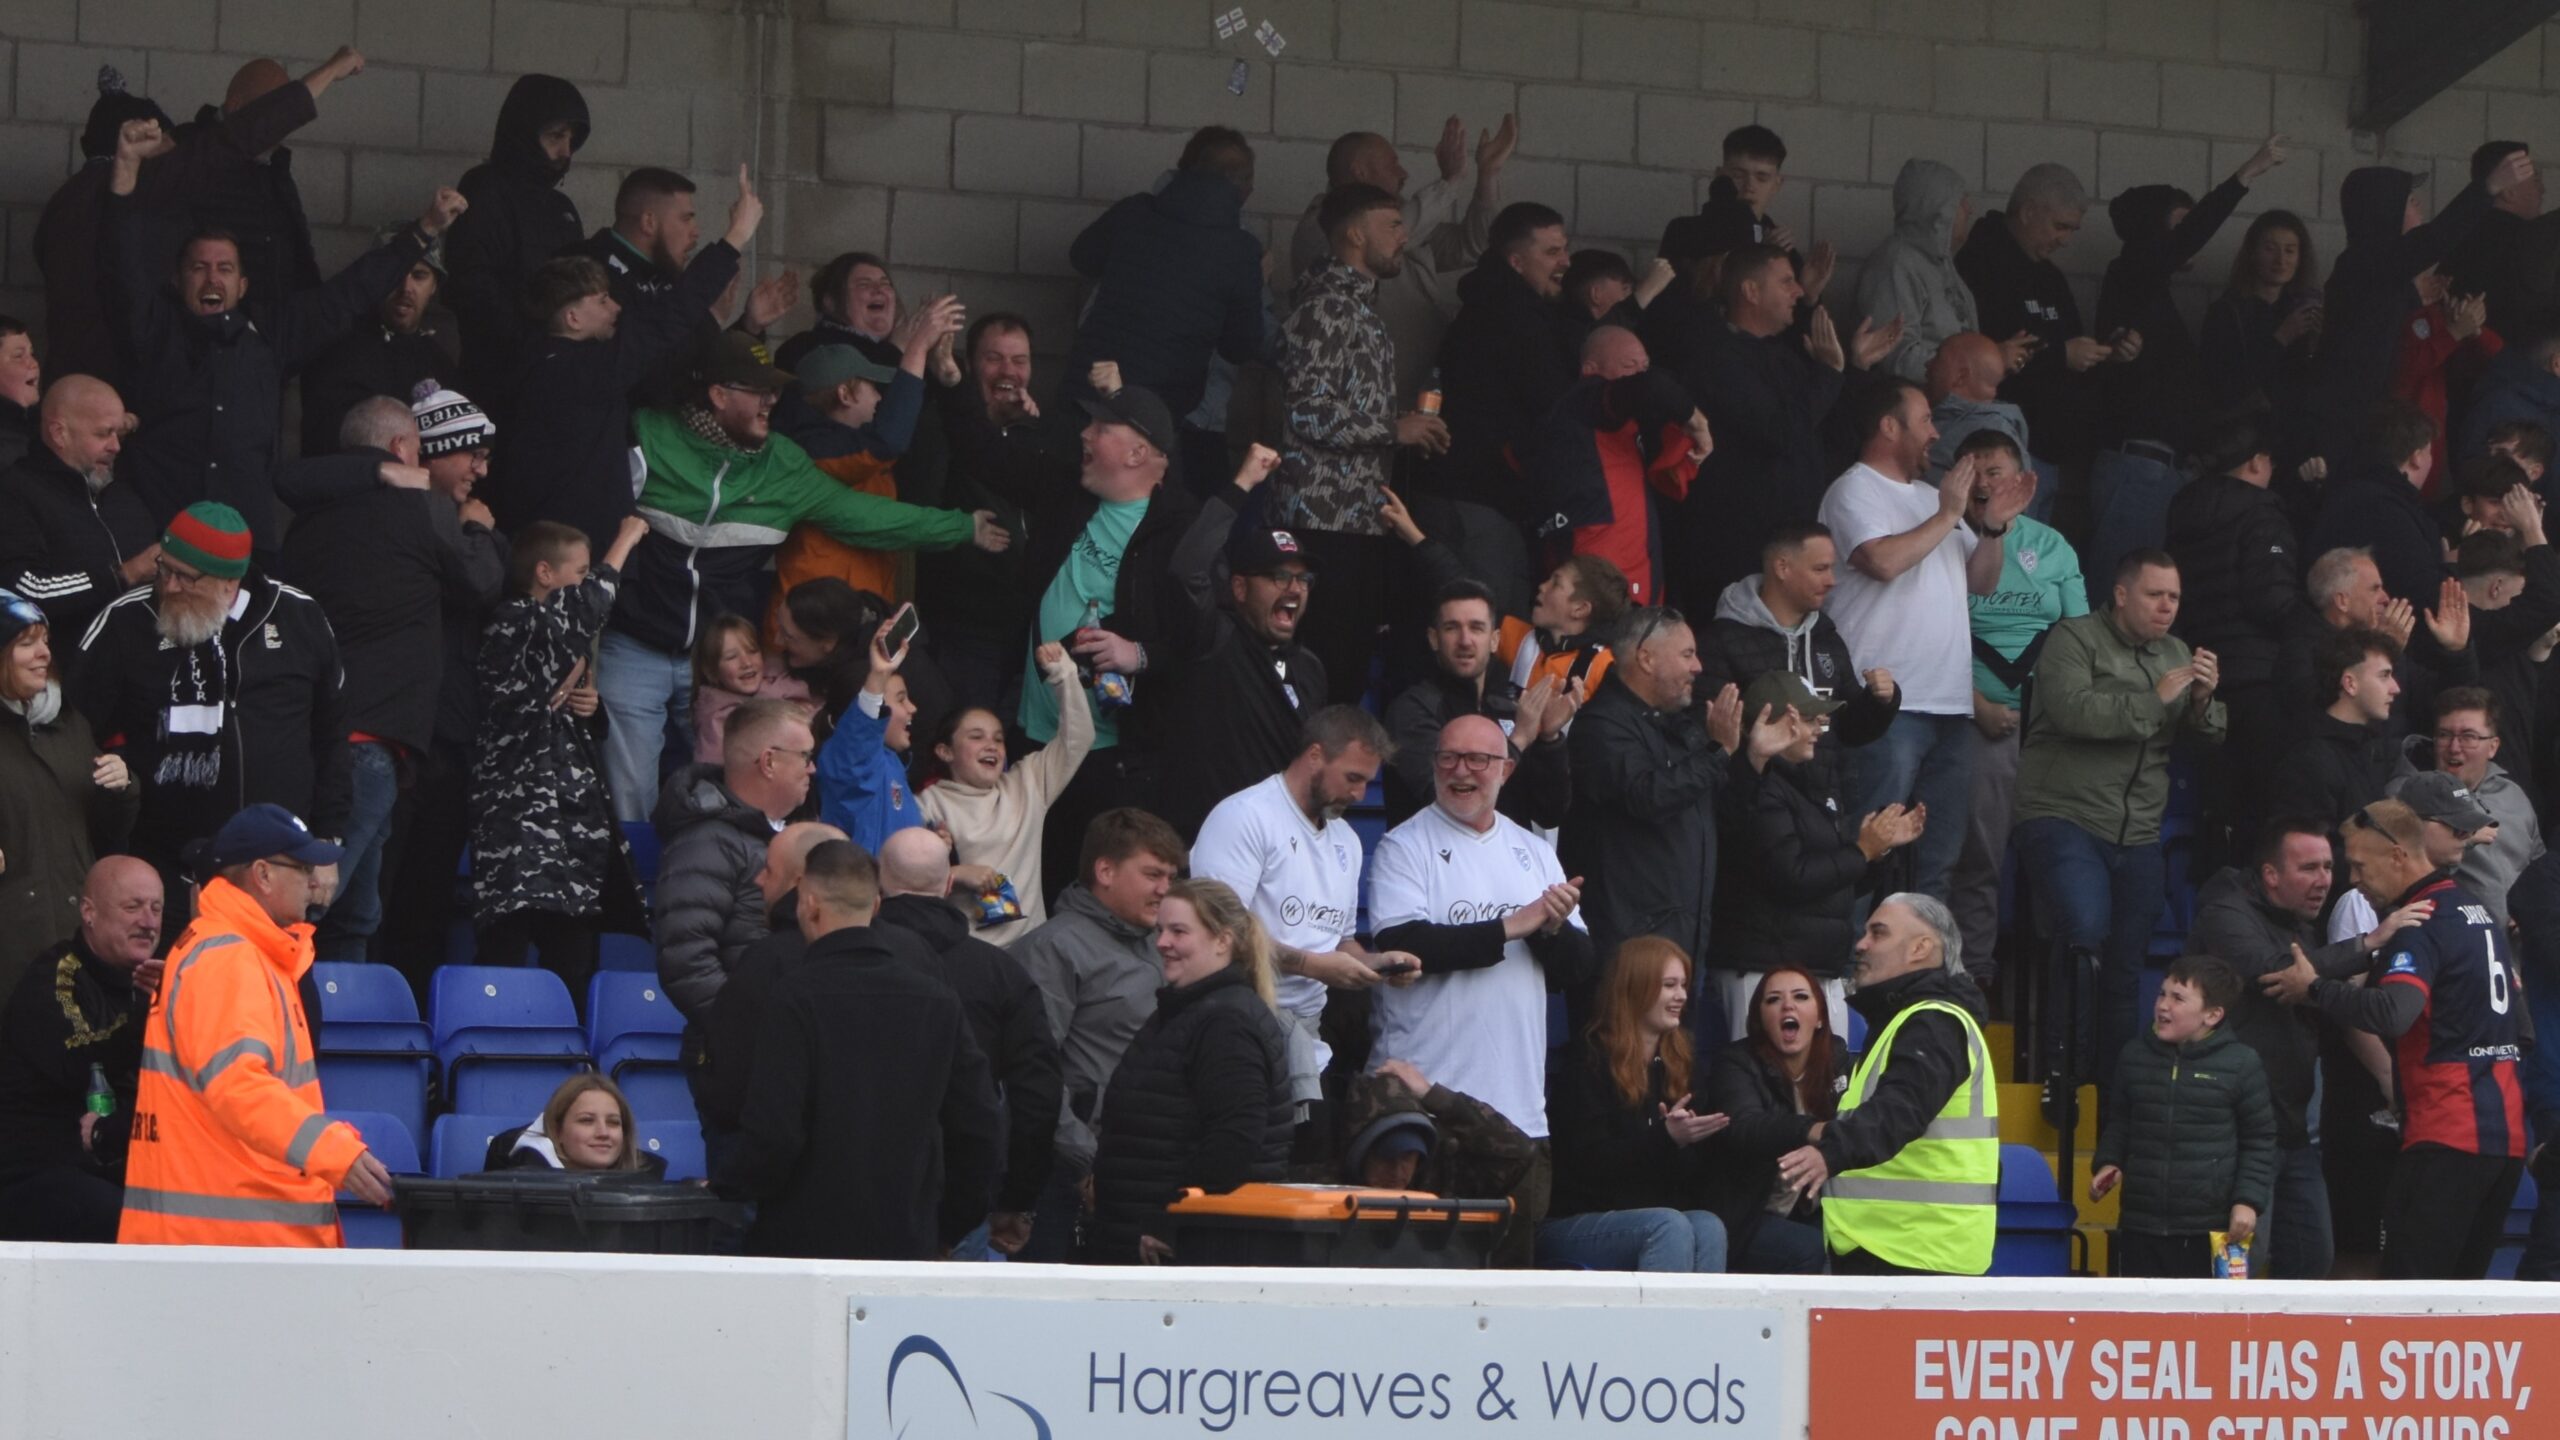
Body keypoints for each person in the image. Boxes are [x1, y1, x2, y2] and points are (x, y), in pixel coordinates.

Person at [598, 330, 1002, 824]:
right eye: (757, 390)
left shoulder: (783, 465)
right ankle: (640, 893)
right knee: (631, 784)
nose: (772, 400)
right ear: (718, 395)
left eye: (774, 390)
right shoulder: (648, 435)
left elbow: (864, 514)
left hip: (722, 660)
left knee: (735, 785)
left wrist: (960, 526)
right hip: (636, 642)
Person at [102, 121, 459, 556]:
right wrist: (125, 170)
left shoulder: (270, 335)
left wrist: (424, 230)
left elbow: (349, 294)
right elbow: (123, 267)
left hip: (244, 549)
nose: (212, 277)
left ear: (243, 286)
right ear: (177, 282)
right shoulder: (154, 328)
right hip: (160, 540)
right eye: (199, 268)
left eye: (225, 268)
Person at [276, 398, 505, 962]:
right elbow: (478, 582)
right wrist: (479, 532)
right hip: (372, 737)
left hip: (320, 729)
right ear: (402, 450)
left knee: (357, 912)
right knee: (315, 902)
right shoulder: (420, 510)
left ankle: (346, 1025)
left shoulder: (308, 519)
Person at [2261, 798, 2527, 1280]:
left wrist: (2315, 988)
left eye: (2360, 865)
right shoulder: (2480, 912)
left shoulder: (2418, 922)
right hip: (2503, 1140)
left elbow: (2391, 1013)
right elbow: (2521, 1029)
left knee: (2407, 1305)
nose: (2354, 880)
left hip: (2446, 1135)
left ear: (2397, 857)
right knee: (2463, 1310)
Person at [1369, 714, 1597, 1266]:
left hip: (1519, 1113)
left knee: (1508, 1288)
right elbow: (1404, 945)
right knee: (1417, 1277)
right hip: (1425, 1106)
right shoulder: (1404, 846)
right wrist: (1512, 925)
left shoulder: (1535, 852)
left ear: (1506, 771)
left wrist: (1548, 927)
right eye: (1449, 758)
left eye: (1479, 760)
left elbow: (1579, 966)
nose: (1462, 771)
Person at [118, 804, 394, 1245]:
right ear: (263, 875)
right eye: (302, 867)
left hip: (232, 1245)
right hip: (228, 1251)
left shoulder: (246, 953)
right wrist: (331, 1150)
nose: (314, 881)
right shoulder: (228, 957)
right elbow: (238, 1086)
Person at [72, 502, 346, 935]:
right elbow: (73, 728)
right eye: (165, 569)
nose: (169, 586)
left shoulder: (298, 617)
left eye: (186, 577)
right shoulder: (127, 621)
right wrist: (125, 766)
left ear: (230, 582)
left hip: (277, 878)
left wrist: (328, 844)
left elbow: (331, 742)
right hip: (167, 878)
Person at [721, 839, 1002, 1260]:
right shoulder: (936, 999)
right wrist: (948, 1227)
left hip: (800, 1245)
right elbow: (979, 1124)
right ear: (875, 906)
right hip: (907, 1240)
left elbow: (774, 1133)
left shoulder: (794, 997)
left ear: (808, 904)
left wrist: (730, 1188)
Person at [2014, 551, 2226, 1095]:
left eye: (2174, 597)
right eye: (2155, 595)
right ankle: (2060, 1074)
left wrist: (2203, 703)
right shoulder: (2074, 637)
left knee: (2127, 966)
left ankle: (2109, 1092)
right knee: (2083, 935)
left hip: (2138, 833)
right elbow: (2073, 710)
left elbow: (2207, 741)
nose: (2166, 607)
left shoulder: (2176, 652)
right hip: (2065, 815)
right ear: (2122, 594)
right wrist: (2154, 701)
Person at [1819, 379, 2033, 901]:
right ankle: (1847, 978)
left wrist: (1995, 528)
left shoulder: (1930, 497)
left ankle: (1918, 979)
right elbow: (1883, 560)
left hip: (1951, 709)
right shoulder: (1854, 488)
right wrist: (1948, 514)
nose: (1936, 434)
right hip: (1887, 707)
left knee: (1936, 864)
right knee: (1866, 855)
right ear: (1889, 427)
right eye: (1925, 422)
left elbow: (1980, 581)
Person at [481, 169, 756, 553]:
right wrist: (734, 239)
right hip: (560, 554)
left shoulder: (559, 362)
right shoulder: (576, 370)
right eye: (602, 301)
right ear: (572, 317)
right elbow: (661, 324)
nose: (616, 308)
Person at [2191, 818, 2415, 1281]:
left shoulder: (2299, 923)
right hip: (2237, 1133)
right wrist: (2369, 943)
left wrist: (2386, 1074)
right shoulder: (2225, 909)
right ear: (2271, 875)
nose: (2324, 880)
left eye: (2329, 867)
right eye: (2309, 868)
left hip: (2294, 1130)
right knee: (2241, 1275)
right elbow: (2275, 975)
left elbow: (2317, 992)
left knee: (2315, 1259)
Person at [1192, 706, 1414, 1140]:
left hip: (1312, 1047)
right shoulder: (1245, 817)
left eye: (1368, 780)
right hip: (1238, 1031)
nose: (1361, 794)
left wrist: (1376, 963)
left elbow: (1341, 940)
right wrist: (1315, 966)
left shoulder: (1347, 841)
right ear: (1315, 756)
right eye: (1352, 777)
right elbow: (1216, 935)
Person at [1018, 379, 1198, 901]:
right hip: (1034, 736)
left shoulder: (1179, 529)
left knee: (1087, 894)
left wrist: (1136, 654)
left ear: (1139, 451)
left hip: (1106, 754)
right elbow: (996, 460)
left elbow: (1204, 641)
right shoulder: (1075, 497)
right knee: (1034, 888)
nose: (1086, 434)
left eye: (1101, 427)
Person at [1271, 183, 1452, 691]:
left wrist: (1403, 424)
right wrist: (1393, 428)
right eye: (1392, 225)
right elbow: (1307, 411)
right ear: (1354, 234)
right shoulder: (1327, 308)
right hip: (1323, 520)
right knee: (1326, 666)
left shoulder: (1361, 309)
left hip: (1360, 518)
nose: (1404, 235)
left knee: (1349, 663)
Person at [470, 517, 650, 996]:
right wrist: (626, 539)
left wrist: (591, 710)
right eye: (580, 571)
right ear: (545, 573)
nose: (588, 581)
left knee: (573, 963)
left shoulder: (561, 640)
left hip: (574, 837)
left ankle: (572, 1062)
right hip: (519, 827)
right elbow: (585, 607)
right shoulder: (517, 620)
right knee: (503, 959)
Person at [1774, 893, 1996, 1276]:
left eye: (1878, 933)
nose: (1861, 944)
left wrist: (1831, 1152)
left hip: (1913, 1256)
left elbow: (1899, 1110)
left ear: (1921, 948)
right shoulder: (1907, 1022)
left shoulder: (1933, 1023)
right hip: (1899, 1249)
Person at [874, 828, 1064, 1258]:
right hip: (962, 1201)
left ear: (880, 884)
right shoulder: (1001, 973)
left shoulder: (844, 965)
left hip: (857, 1192)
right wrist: (1017, 1197)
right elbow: (1037, 1092)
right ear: (946, 885)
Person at [376, 381, 511, 987]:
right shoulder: (405, 526)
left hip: (453, 743)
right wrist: (475, 534)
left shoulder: (476, 529)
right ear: (429, 455)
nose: (480, 472)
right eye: (470, 456)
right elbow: (475, 582)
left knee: (425, 900)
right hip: (399, 736)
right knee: (378, 890)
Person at [1564, 603, 1776, 983]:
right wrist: (1717, 752)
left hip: (1685, 943)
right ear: (1645, 658)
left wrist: (1752, 759)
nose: (1698, 667)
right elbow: (1648, 797)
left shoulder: (1682, 727)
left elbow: (1724, 816)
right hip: (1628, 950)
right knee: (1622, 1045)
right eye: (1687, 654)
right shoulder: (1601, 725)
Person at [1087, 879, 1297, 1264]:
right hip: (1144, 1242)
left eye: (1179, 931)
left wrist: (1173, 1220)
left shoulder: (1226, 1023)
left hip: (1185, 1252)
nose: (1163, 942)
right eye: (1161, 930)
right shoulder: (1187, 1012)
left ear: (1223, 941)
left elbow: (1235, 1137)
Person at [1012, 807, 1187, 1262]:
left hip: (1147, 1169)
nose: (1164, 889)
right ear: (1105, 870)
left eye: (1171, 876)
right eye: (1152, 874)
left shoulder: (1164, 945)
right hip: (1070, 1181)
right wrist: (1086, 1163)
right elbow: (1034, 1072)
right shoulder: (1054, 948)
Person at [1714, 671, 1921, 1040]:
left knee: (1824, 1091)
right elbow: (1791, 877)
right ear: (1770, 723)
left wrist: (1878, 849)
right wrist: (1862, 850)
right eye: (1808, 719)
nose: (1819, 728)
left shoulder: (1806, 784)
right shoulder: (1757, 787)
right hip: (1764, 971)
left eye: (1819, 719)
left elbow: (1834, 886)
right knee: (1763, 1088)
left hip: (1815, 967)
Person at [1670, 243, 1874, 607]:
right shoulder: (1716, 358)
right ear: (1751, 291)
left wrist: (1854, 370)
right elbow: (1780, 431)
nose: (1798, 291)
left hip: (1793, 549)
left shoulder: (1785, 358)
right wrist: (1828, 374)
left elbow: (1831, 440)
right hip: (1736, 554)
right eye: (1786, 282)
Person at [1952, 430, 2087, 978]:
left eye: (1997, 471)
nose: (1986, 483)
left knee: (2058, 864)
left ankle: (2049, 984)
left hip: (2047, 726)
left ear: (2023, 479)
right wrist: (1976, 701)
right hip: (1974, 717)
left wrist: (2057, 714)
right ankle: (1975, 977)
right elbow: (1925, 635)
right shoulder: (1945, 535)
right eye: (1975, 470)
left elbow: (2079, 637)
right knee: (1977, 860)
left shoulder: (2052, 546)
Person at [2308, 153, 2533, 475]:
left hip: (2373, 427)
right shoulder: (2367, 262)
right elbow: (2437, 239)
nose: (2421, 211)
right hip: (2349, 431)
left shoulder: (2376, 271)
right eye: (2412, 202)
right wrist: (2488, 187)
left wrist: (2426, 303)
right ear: (2387, 212)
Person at [1066, 126, 1266, 479]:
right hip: (1160, 411)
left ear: (1182, 169)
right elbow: (1242, 345)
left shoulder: (1134, 212)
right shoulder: (1240, 250)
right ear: (1244, 188)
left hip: (1088, 390)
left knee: (1067, 498)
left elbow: (1082, 257)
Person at [1153, 450, 1328, 838]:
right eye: (1278, 576)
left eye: (1303, 580)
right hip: (1208, 845)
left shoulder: (1310, 667)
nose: (1294, 588)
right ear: (1239, 587)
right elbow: (1187, 569)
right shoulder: (1213, 639)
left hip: (1282, 848)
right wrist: (1242, 485)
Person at [2093, 138, 2290, 476]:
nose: (2192, 237)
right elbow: (2186, 240)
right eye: (2182, 225)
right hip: (2138, 466)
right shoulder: (2132, 272)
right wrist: (2245, 174)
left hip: (2158, 464)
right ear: (2154, 232)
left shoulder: (2146, 288)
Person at [2166, 414, 2316, 849]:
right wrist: (2315, 624)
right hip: (2257, 680)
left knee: (2218, 809)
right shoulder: (2263, 516)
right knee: (2262, 811)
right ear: (2255, 462)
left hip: (2202, 674)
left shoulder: (2183, 510)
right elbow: (2270, 596)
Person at [1288, 117, 1513, 402]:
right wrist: (1450, 182)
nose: (1403, 173)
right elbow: (1316, 412)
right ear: (1359, 171)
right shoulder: (1321, 224)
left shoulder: (1409, 226)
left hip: (1418, 394)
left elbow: (1476, 245)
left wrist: (1488, 175)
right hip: (1365, 407)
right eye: (1392, 163)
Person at [1539, 938, 1731, 1272]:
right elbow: (1586, 1167)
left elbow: (1687, 1182)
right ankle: (1659, 1326)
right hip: (1577, 1219)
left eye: (1684, 985)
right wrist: (1663, 1139)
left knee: (1708, 1226)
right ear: (1636, 987)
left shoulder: (1681, 1064)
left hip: (1652, 1215)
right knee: (1668, 1227)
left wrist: (1685, 1144)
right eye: (1670, 985)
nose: (1682, 996)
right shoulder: (1589, 1062)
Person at [0, 857, 160, 1242]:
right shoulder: (55, 975)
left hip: (115, 1164)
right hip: (34, 1175)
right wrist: (155, 1014)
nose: (148, 921)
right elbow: (81, 1059)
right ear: (89, 912)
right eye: (132, 907)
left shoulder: (154, 981)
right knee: (127, 1219)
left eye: (156, 908)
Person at [768, 317, 969, 622]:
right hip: (813, 630)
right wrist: (916, 350)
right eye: (872, 387)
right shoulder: (814, 454)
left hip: (854, 621)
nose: (879, 397)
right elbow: (888, 440)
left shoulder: (860, 454)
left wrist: (950, 380)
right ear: (844, 395)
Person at [2089, 955, 2278, 1278]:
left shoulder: (2241, 1064)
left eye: (2178, 998)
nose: (2163, 1005)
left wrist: (2247, 1201)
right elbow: (2119, 1123)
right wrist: (2108, 1162)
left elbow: (2259, 1141)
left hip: (2209, 1229)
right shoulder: (2134, 1056)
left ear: (2213, 1015)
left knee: (2206, 1325)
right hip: (2140, 1223)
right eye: (2162, 994)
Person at [921, 312, 1070, 710]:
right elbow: (924, 505)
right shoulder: (940, 428)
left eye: (1019, 361)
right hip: (966, 624)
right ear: (969, 365)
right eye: (994, 358)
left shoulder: (1039, 434)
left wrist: (1031, 432)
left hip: (1032, 629)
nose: (1009, 370)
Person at [1428, 202, 1578, 592]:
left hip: (1474, 494)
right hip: (1482, 497)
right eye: (1551, 252)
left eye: (1563, 249)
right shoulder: (1514, 318)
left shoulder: (1494, 308)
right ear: (1515, 261)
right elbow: (1553, 402)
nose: (1565, 261)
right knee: (1488, 623)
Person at [654, 697, 820, 1046]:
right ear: (769, 762)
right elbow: (687, 961)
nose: (813, 769)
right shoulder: (705, 842)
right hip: (748, 1053)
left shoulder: (793, 834)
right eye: (805, 756)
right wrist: (754, 1034)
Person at [0, 593, 137, 997]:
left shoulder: (70, 723)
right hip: (12, 944)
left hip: (76, 935)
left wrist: (122, 788)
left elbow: (109, 833)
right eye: (27, 643)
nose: (44, 653)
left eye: (45, 641)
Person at [913, 644, 1089, 944]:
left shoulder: (1027, 784)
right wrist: (955, 874)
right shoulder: (927, 804)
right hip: (969, 954)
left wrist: (1064, 674)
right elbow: (903, 881)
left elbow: (1079, 738)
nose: (992, 745)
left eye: (998, 738)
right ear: (945, 751)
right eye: (976, 737)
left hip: (1031, 949)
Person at [1955, 164, 2121, 472]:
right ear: (2028, 212)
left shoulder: (2051, 277)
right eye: (2060, 226)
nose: (2066, 240)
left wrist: (2103, 354)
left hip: (2048, 449)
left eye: (2073, 229)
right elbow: (1976, 350)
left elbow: (2070, 346)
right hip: (1995, 447)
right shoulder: (1979, 264)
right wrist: (2061, 355)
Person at [1528, 326, 1709, 608]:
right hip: (1600, 565)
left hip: (1623, 565)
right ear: (1591, 370)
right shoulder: (1585, 399)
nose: (1640, 373)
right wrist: (1697, 422)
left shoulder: (1607, 425)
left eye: (1645, 366)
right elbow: (1652, 387)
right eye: (1629, 366)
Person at [691, 819, 847, 1144]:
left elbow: (733, 1083)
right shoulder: (903, 959)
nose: (759, 880)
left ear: (800, 882)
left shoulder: (768, 961)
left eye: (771, 871)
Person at [1381, 579, 1574, 828]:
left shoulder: (1508, 709)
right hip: (1437, 862)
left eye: (1476, 628)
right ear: (1433, 638)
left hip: (1507, 862)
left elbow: (1549, 813)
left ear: (1494, 640)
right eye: (1452, 628)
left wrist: (1549, 740)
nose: (1465, 640)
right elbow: (1445, 800)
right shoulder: (1412, 709)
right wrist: (1520, 740)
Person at [443, 73, 589, 394]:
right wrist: (532, 343)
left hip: (556, 374)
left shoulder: (561, 207)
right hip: (498, 376)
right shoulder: (485, 189)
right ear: (524, 134)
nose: (565, 151)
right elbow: (473, 284)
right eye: (555, 136)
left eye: (571, 139)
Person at [0, 374, 163, 650]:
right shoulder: (17, 492)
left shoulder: (123, 493)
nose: (116, 446)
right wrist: (122, 575)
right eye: (103, 434)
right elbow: (24, 592)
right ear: (59, 433)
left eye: (119, 433)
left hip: (145, 660)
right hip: (64, 668)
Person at [1706, 966, 1846, 1275]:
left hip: (1822, 1209)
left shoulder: (1840, 1061)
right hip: (1749, 1216)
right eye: (1773, 1000)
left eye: (1800, 997)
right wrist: (1812, 1130)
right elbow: (1745, 1127)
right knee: (1811, 1246)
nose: (1788, 1006)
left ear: (1820, 1016)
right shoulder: (1735, 1063)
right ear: (1759, 1020)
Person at [298, 233, 455, 457]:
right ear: (374, 279)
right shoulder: (338, 351)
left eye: (419, 275)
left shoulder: (440, 363)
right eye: (395, 274)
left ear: (434, 286)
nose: (405, 287)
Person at [2398, 696, 2542, 928]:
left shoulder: (2514, 795)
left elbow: (2539, 866)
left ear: (2493, 746)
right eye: (2445, 735)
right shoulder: (2407, 796)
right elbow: (2402, 870)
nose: (2454, 747)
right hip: (2455, 943)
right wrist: (2467, 840)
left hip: (2519, 951)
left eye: (2468, 737)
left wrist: (2533, 908)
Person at [2311, 401, 2455, 608]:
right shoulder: (2385, 509)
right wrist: (2452, 569)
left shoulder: (2348, 489)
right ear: (2417, 457)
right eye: (2429, 451)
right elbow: (2421, 590)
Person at [1852, 158, 1979, 383]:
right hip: (1917, 408)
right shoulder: (1894, 263)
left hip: (1953, 401)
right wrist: (1968, 375)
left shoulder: (1941, 261)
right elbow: (1897, 355)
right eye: (1960, 202)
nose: (1969, 210)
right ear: (1938, 211)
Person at [2269, 627, 2404, 826]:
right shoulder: (2311, 760)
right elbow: (2311, 850)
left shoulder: (2367, 748)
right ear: (2350, 684)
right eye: (2384, 675)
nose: (2396, 688)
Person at [2202, 211, 2324, 429]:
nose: (2281, 260)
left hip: (2292, 436)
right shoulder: (2227, 312)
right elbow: (2224, 384)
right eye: (2270, 249)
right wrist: (2280, 338)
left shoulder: (2300, 309)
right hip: (2242, 440)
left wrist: (2317, 342)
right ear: (2253, 253)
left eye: (2290, 251)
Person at [2447, 140, 2557, 335]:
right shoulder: (2526, 240)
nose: (2542, 190)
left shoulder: (2461, 235)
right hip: (2515, 358)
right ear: (2508, 192)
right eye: (2535, 180)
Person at [690, 613, 815, 764]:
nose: (746, 662)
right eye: (731, 657)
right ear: (712, 672)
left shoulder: (786, 681)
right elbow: (715, 772)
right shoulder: (717, 722)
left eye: (752, 651)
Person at [1923, 332, 2034, 487]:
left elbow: (1997, 505)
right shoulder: (1946, 417)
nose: (1928, 364)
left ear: (1961, 376)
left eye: (1938, 358)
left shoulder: (1994, 431)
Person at [503, 1073, 662, 1176]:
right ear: (558, 1132)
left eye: (613, 1123)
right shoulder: (527, 1187)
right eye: (586, 1120)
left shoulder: (649, 1181)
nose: (603, 1133)